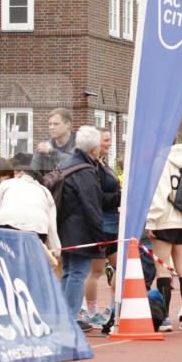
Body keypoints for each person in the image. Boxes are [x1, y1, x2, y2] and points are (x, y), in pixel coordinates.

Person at [56, 126, 107, 327]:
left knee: (68, 270)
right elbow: (91, 207)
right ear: (94, 150)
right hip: (80, 230)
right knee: (77, 272)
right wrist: (100, 237)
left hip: (63, 226)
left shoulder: (66, 164)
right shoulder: (85, 172)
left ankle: (63, 314)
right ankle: (69, 316)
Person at [146, 141, 182, 332]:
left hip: (164, 220)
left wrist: (150, 221)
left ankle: (165, 317)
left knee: (162, 271)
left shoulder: (162, 162)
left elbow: (160, 195)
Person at [82, 127, 121, 326]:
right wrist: (119, 195)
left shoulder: (104, 165)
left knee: (120, 267)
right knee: (95, 270)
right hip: (101, 225)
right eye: (105, 140)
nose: (108, 143)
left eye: (109, 140)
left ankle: (114, 306)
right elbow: (96, 197)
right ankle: (90, 310)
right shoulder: (93, 168)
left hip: (113, 224)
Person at [0, 152, 60, 256]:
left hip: (7, 222)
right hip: (38, 226)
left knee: (9, 258)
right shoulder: (44, 191)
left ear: (21, 173)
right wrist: (56, 250)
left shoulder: (6, 184)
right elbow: (52, 224)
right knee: (31, 259)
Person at [31, 108, 76, 174]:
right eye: (50, 124)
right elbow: (33, 173)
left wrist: (50, 151)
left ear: (68, 125)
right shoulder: (43, 147)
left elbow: (73, 163)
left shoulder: (80, 144)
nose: (51, 127)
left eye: (56, 124)